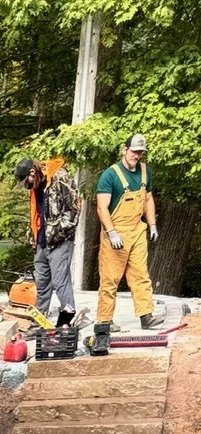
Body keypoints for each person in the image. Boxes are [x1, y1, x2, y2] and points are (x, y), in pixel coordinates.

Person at [91, 134, 163, 353]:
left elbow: (148, 198)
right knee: (110, 278)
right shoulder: (110, 175)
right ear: (125, 150)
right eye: (133, 151)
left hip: (137, 229)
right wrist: (111, 233)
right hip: (116, 232)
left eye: (140, 152)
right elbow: (102, 208)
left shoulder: (144, 171)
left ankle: (146, 316)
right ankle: (104, 321)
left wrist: (151, 224)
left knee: (140, 274)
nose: (136, 156)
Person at [14, 155, 80, 326]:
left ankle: (66, 322)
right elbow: (36, 214)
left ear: (32, 172)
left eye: (26, 180)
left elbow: (73, 210)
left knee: (60, 282)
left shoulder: (60, 177)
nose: (26, 185)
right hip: (41, 241)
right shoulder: (36, 185)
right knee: (42, 284)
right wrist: (34, 238)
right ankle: (39, 322)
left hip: (59, 241)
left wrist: (58, 232)